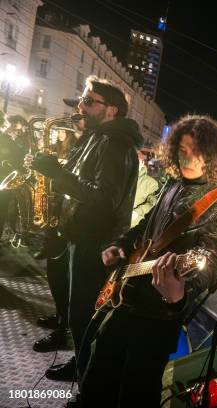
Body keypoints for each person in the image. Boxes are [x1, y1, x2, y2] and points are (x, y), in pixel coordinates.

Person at [79, 114, 217, 407]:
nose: (187, 157)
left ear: (211, 156)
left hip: (160, 314)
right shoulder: (172, 185)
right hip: (128, 295)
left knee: (137, 388)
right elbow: (145, 227)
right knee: (98, 369)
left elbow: (210, 262)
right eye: (183, 149)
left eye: (196, 151)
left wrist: (179, 294)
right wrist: (120, 245)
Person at [26, 76, 143, 382]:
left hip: (96, 241)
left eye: (89, 101)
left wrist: (59, 176)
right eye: (82, 100)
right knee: (78, 313)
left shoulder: (115, 144)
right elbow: (79, 180)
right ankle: (81, 366)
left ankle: (88, 380)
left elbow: (104, 199)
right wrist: (49, 169)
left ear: (112, 110)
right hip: (80, 234)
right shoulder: (97, 137)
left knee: (85, 315)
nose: (80, 106)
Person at [33, 97, 87, 352]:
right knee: (55, 275)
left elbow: (81, 185)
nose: (78, 111)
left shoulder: (88, 145)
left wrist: (54, 170)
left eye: (84, 105)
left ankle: (65, 329)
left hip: (71, 221)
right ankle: (60, 317)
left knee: (67, 281)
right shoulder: (83, 146)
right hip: (59, 216)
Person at [131, 150, 159, 227]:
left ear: (143, 163)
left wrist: (138, 212)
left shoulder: (151, 183)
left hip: (127, 225)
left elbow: (153, 203)